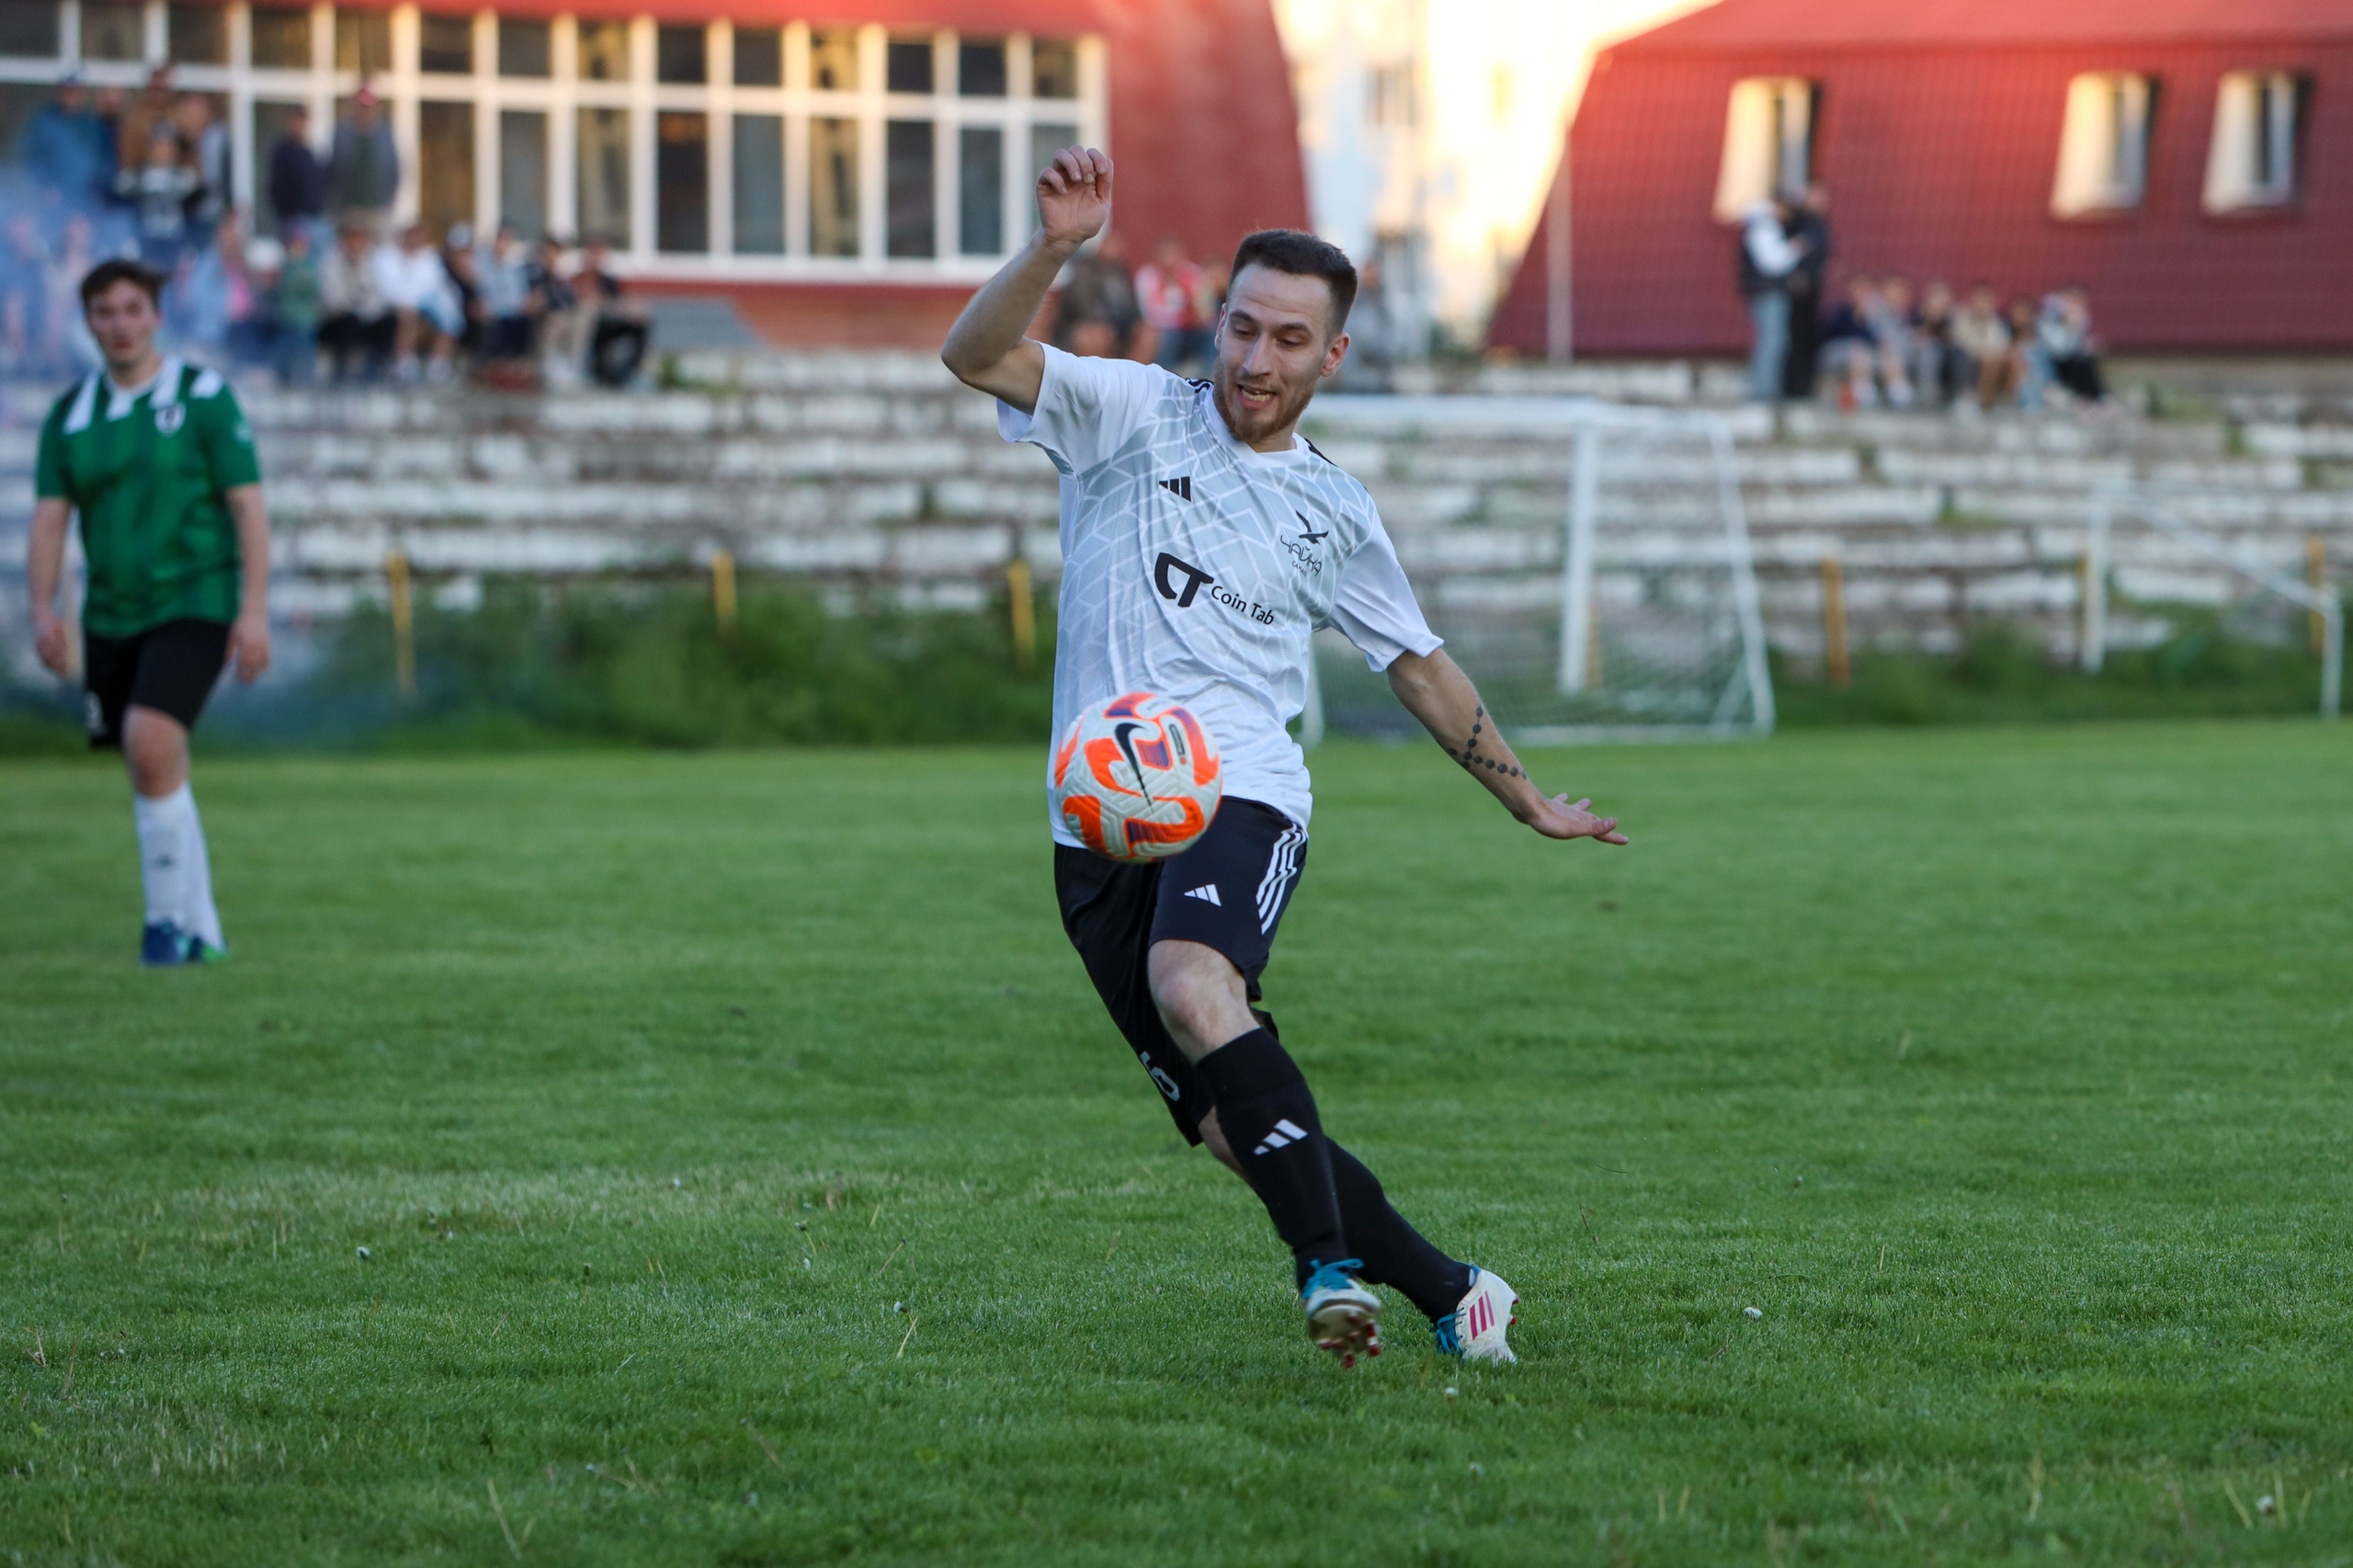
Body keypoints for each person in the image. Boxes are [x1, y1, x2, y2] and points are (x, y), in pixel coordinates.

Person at [940, 146, 1630, 1369]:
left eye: (1290, 340)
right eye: (1244, 328)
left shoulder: (1334, 510)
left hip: (1238, 786)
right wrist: (1054, 251)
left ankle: (1323, 1269)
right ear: (1220, 322)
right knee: (1226, 1124)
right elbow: (975, 355)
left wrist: (1525, 799)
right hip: (1096, 826)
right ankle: (1457, 1288)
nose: (1258, 360)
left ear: (1334, 355)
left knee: (1196, 984)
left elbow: (1418, 662)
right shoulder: (1126, 412)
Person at [26, 258, 272, 967]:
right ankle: (205, 929)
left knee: (151, 740)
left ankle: (164, 928)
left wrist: (252, 612)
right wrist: (44, 611)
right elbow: (48, 523)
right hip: (110, 612)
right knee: (152, 764)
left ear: (157, 316)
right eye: (105, 312)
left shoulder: (204, 399)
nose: (120, 325)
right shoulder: (71, 416)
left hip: (196, 599)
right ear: (88, 322)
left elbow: (248, 508)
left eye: (133, 309)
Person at [371, 221, 460, 381]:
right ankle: (405, 363)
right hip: (393, 304)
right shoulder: (387, 256)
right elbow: (384, 286)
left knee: (449, 315)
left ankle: (438, 364)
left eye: (418, 234)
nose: (415, 238)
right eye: (411, 234)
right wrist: (406, 302)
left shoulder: (430, 257)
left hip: (424, 303)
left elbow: (436, 284)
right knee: (408, 314)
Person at [1737, 197, 1803, 403]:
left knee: (1775, 341)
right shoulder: (1762, 230)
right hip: (1769, 293)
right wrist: (1795, 249)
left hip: (1768, 292)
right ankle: (1764, 391)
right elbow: (1772, 263)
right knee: (1771, 341)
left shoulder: (1762, 229)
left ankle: (1769, 388)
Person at [115, 123, 202, 273]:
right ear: (151, 147)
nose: (163, 150)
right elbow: (120, 192)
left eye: (168, 145)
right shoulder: (136, 176)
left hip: (175, 241)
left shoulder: (186, 178)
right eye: (159, 145)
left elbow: (197, 208)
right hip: (146, 240)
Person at [23, 75, 112, 217]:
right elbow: (32, 160)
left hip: (85, 200)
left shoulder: (92, 124)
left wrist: (98, 191)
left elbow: (104, 160)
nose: (71, 96)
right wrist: (45, 186)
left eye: (75, 91)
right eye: (68, 91)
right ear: (60, 92)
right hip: (53, 200)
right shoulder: (45, 122)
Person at [318, 222, 394, 381]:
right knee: (348, 323)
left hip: (365, 315)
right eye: (353, 239)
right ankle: (341, 373)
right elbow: (334, 298)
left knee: (388, 322)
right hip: (337, 318)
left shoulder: (372, 262)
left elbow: (378, 294)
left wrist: (360, 270)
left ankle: (374, 372)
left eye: (361, 240)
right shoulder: (331, 262)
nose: (357, 244)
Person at [1053, 229, 1142, 358]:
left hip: (1119, 326)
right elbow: (1082, 305)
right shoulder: (1085, 270)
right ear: (1102, 246)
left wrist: (1136, 323)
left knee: (1146, 333)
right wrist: (1106, 325)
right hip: (1086, 324)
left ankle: (1133, 375)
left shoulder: (1120, 272)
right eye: (1113, 245)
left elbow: (1132, 306)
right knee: (1095, 336)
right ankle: (1102, 378)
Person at [1781, 183, 1832, 400]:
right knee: (1795, 339)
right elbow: (1787, 252)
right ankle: (1792, 388)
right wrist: (1796, 274)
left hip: (1814, 293)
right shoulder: (1797, 221)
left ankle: (1805, 387)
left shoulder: (1820, 223)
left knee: (1810, 341)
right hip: (1798, 294)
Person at [575, 238, 649, 387]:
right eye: (594, 254)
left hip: (609, 321)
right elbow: (592, 300)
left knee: (640, 323)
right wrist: (614, 306)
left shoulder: (609, 281)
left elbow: (619, 302)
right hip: (590, 326)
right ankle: (595, 371)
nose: (597, 259)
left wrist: (631, 309)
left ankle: (631, 370)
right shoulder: (579, 279)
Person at [328, 86, 400, 233]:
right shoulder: (343, 134)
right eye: (361, 107)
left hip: (377, 208)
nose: (365, 111)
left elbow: (394, 170)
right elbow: (334, 171)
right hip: (349, 209)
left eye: (368, 107)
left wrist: (390, 201)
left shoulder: (385, 135)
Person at [1135, 234, 1207, 372]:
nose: (1169, 260)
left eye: (1173, 254)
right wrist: (1182, 317)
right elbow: (1149, 314)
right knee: (1166, 337)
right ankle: (1165, 373)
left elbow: (1204, 309)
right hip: (1163, 331)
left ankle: (1209, 372)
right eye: (1165, 255)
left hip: (1191, 330)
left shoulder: (1192, 274)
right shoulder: (1147, 277)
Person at [268, 222, 323, 385]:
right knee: (283, 355)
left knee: (304, 356)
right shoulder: (285, 266)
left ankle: (306, 382)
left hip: (304, 321)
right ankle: (283, 381)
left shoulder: (309, 267)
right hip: (286, 320)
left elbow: (311, 287)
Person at [267, 104, 329, 243]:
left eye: (303, 121)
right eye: (297, 120)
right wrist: (287, 215)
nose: (300, 125)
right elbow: (277, 188)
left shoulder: (308, 153)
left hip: (312, 219)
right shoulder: (282, 153)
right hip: (292, 221)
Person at [2040, 285, 2106, 405]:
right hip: (2051, 362)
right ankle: (2089, 398)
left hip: (2069, 360)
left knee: (2085, 361)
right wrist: (2068, 326)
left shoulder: (2080, 317)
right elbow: (2057, 348)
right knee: (2079, 364)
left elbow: (2078, 342)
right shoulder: (2049, 317)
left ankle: (2095, 397)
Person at [1949, 283, 2010, 413]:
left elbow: (2001, 344)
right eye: (1980, 299)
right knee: (1988, 361)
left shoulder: (1995, 320)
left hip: (1991, 357)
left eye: (1987, 300)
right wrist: (1985, 351)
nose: (1983, 303)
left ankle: (2004, 400)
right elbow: (1962, 342)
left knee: (2009, 361)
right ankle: (1977, 400)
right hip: (1968, 357)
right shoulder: (1962, 316)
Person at [1909, 280, 1960, 407]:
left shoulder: (1952, 316)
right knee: (1929, 353)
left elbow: (1952, 339)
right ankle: (1926, 397)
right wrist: (1931, 318)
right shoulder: (1917, 314)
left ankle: (1962, 397)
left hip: (1948, 357)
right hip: (1921, 355)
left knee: (1961, 355)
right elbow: (1917, 337)